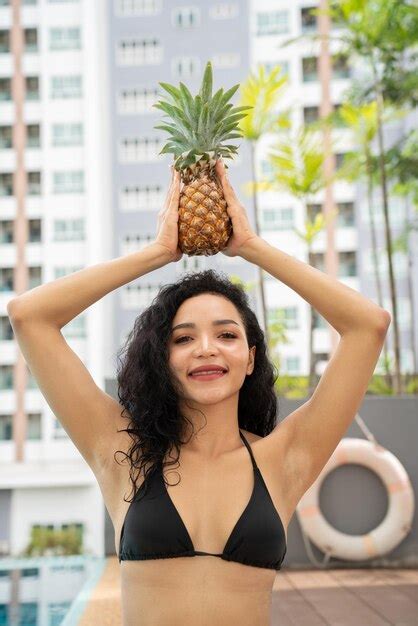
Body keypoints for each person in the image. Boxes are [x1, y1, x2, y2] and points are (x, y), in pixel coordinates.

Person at [7, 158, 391, 626]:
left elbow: (368, 326)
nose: (206, 350)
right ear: (162, 360)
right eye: (183, 338)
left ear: (250, 358)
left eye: (226, 335)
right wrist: (157, 253)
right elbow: (30, 316)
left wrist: (250, 246)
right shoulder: (122, 451)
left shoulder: (284, 459)